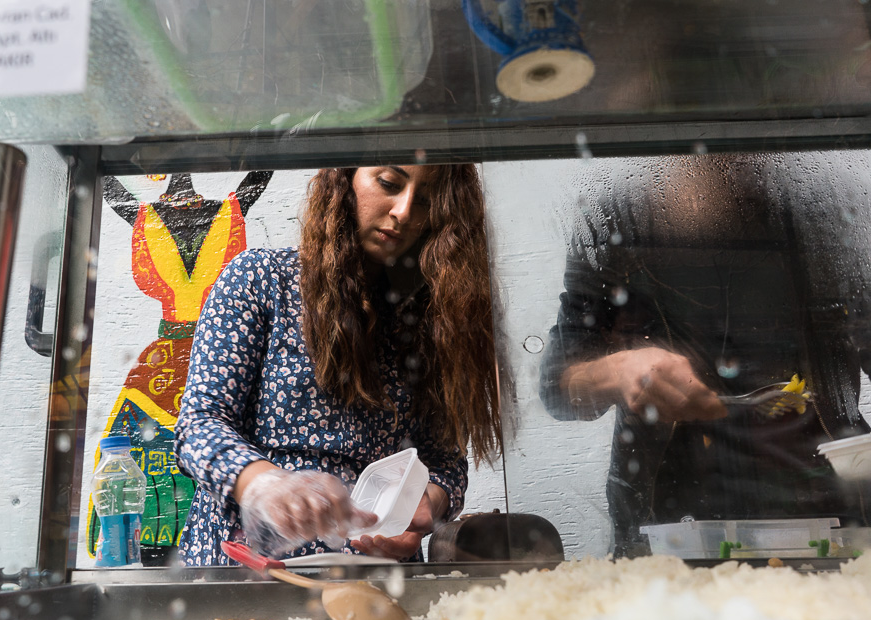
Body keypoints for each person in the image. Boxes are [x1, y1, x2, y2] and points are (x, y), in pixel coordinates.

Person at [539, 153, 871, 556]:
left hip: (824, 506)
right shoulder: (614, 216)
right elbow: (557, 386)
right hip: (666, 517)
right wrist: (620, 370)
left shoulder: (825, 210)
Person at [174, 165, 502, 565]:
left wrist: (423, 508)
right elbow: (200, 424)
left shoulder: (430, 319)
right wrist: (264, 484)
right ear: (344, 179)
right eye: (389, 184)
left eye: (429, 200)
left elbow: (444, 459)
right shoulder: (260, 280)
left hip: (374, 578)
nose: (404, 211)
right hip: (253, 574)